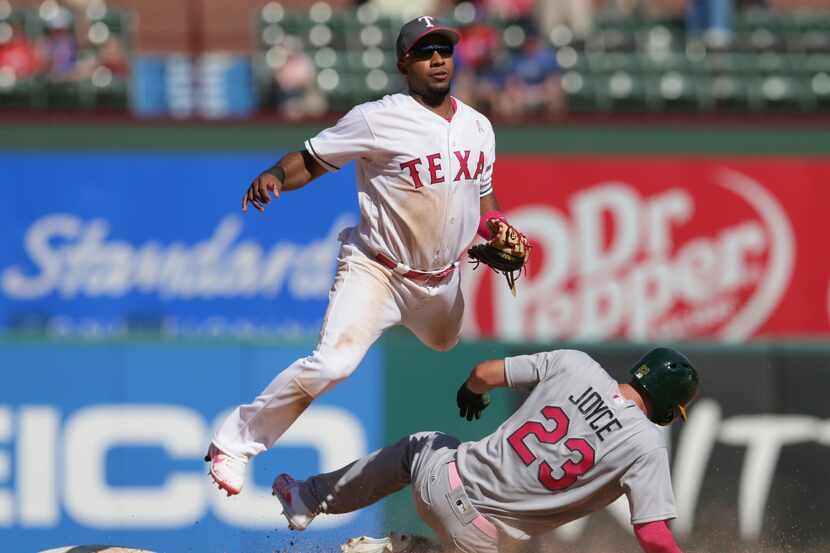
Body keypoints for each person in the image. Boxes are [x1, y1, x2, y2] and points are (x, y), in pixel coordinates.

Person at [205, 15, 528, 496]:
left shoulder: (479, 127)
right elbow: (314, 157)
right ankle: (233, 443)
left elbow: (484, 200)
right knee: (333, 365)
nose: (438, 59)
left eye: (444, 49)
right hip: (377, 271)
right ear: (405, 62)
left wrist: (497, 227)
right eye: (425, 51)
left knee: (445, 342)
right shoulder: (379, 116)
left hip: (441, 281)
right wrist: (276, 172)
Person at [271, 347, 700, 553]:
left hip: (442, 479)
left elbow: (482, 373)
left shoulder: (577, 364)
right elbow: (653, 534)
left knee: (421, 445)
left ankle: (307, 498)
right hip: (481, 534)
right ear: (667, 404)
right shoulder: (646, 444)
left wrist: (474, 392)